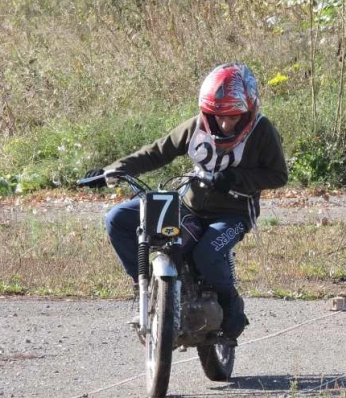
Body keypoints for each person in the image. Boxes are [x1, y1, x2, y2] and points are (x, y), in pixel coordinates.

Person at [84, 63, 288, 340]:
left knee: (206, 253)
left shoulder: (262, 131)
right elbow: (157, 152)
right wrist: (113, 170)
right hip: (188, 205)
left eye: (234, 117)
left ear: (249, 111)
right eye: (218, 116)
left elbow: (278, 175)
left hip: (232, 214)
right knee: (118, 219)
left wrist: (235, 178)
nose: (226, 123)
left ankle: (230, 302)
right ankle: (144, 287)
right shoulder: (196, 126)